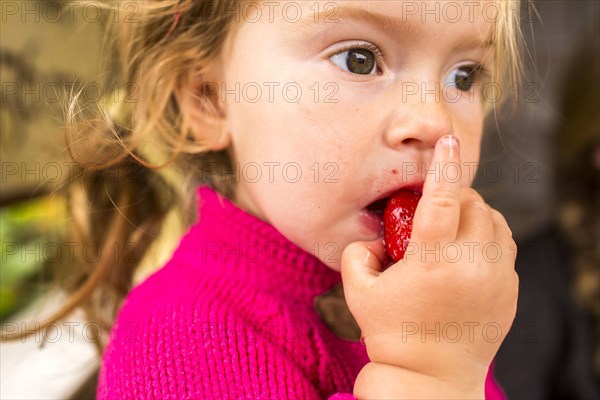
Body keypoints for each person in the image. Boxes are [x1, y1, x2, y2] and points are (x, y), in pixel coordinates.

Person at [13, 1, 524, 398]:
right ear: (208, 98)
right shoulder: (182, 336)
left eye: (464, 74)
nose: (435, 122)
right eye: (359, 59)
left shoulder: (430, 298)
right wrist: (432, 373)